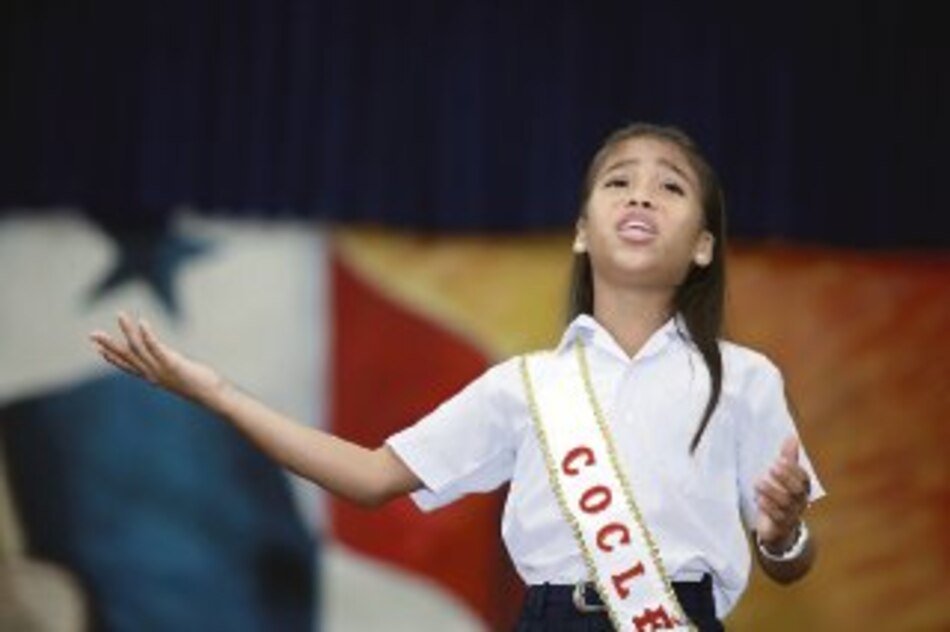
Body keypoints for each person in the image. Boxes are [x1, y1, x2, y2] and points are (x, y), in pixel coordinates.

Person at [90, 122, 823, 631]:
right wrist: (218, 395)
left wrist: (784, 534)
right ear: (580, 230)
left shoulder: (746, 379)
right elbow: (371, 476)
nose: (640, 196)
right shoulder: (524, 386)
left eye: (670, 187)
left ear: (703, 246)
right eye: (618, 181)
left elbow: (790, 563)